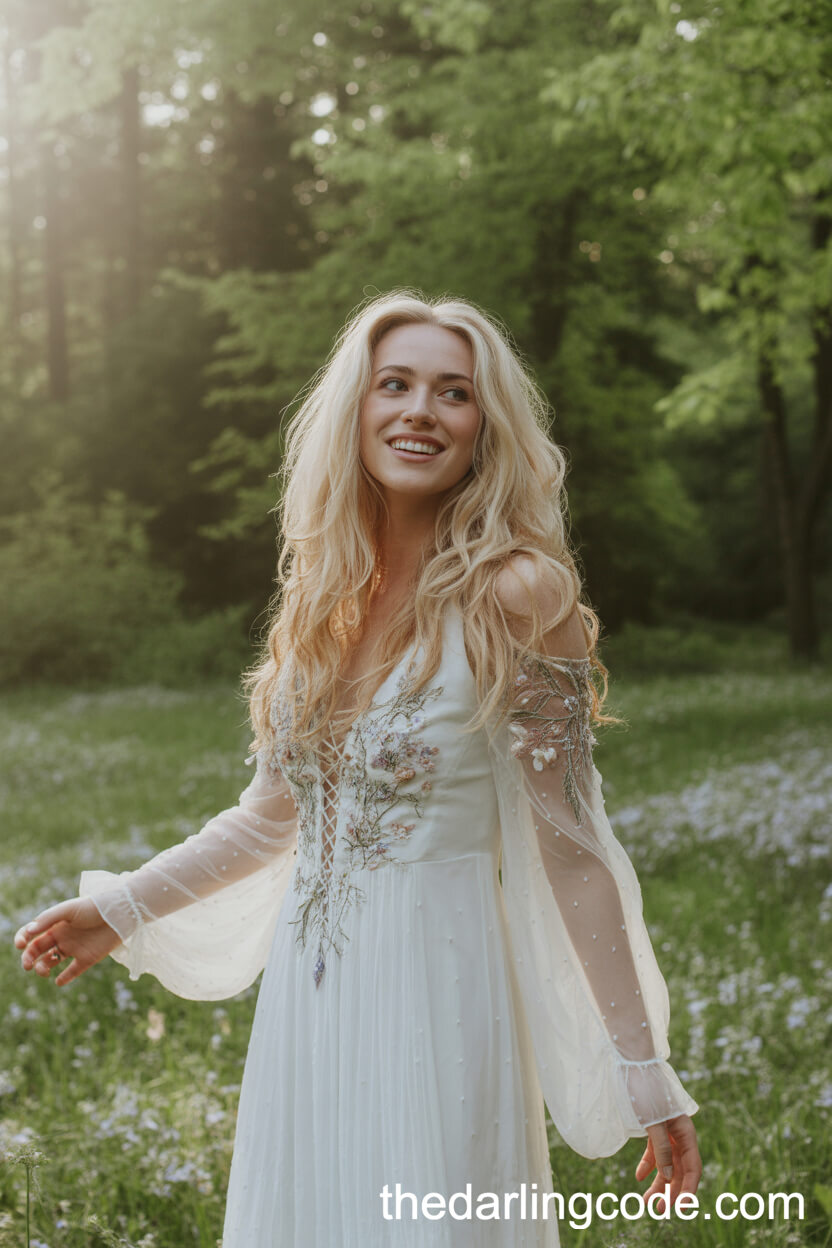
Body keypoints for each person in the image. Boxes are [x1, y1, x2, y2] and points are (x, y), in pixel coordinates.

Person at [14, 290, 702, 1246]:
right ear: (357, 410)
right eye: (396, 384)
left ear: (484, 429)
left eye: (453, 393)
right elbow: (270, 818)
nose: (421, 409)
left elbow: (573, 849)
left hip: (441, 985)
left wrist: (641, 1064)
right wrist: (122, 907)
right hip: (312, 995)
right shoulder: (323, 600)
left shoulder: (518, 591)